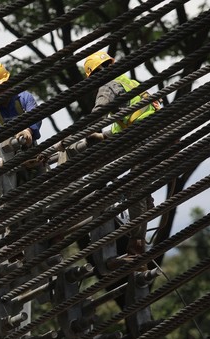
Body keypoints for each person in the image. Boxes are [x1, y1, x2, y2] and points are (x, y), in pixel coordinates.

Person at [82, 50, 162, 256]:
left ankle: (136, 241)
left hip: (144, 136)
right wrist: (105, 136)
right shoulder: (130, 82)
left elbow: (98, 113)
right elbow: (130, 117)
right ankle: (146, 206)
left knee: (134, 188)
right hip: (160, 133)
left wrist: (89, 132)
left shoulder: (107, 87)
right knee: (140, 185)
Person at [0, 61, 41, 170]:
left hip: (31, 156)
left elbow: (36, 115)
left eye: (2, 87)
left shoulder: (24, 98)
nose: (0, 93)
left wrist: (28, 130)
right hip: (5, 167)